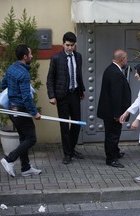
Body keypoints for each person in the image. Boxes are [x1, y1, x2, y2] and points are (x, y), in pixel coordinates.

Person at [0, 44, 42, 177]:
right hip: (21, 111)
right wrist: (34, 112)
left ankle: (25, 168)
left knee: (24, 138)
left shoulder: (11, 68)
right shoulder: (24, 74)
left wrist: (13, 92)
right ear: (25, 57)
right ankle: (9, 159)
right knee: (31, 138)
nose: (31, 56)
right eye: (30, 54)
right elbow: (26, 97)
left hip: (12, 110)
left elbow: (3, 85)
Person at [46, 32, 85, 164]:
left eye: (72, 45)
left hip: (75, 94)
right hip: (62, 96)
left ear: (75, 45)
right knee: (64, 125)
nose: (70, 48)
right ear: (63, 44)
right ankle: (67, 154)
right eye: (67, 45)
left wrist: (82, 89)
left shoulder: (78, 57)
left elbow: (79, 75)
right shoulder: (56, 58)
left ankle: (72, 148)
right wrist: (52, 96)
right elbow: (50, 78)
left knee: (77, 123)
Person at [97, 49, 131, 168]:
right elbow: (116, 95)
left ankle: (115, 152)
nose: (127, 60)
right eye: (126, 58)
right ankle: (111, 158)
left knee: (112, 133)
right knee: (113, 135)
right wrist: (117, 114)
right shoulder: (116, 72)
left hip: (109, 110)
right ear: (122, 59)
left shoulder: (111, 69)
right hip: (113, 112)